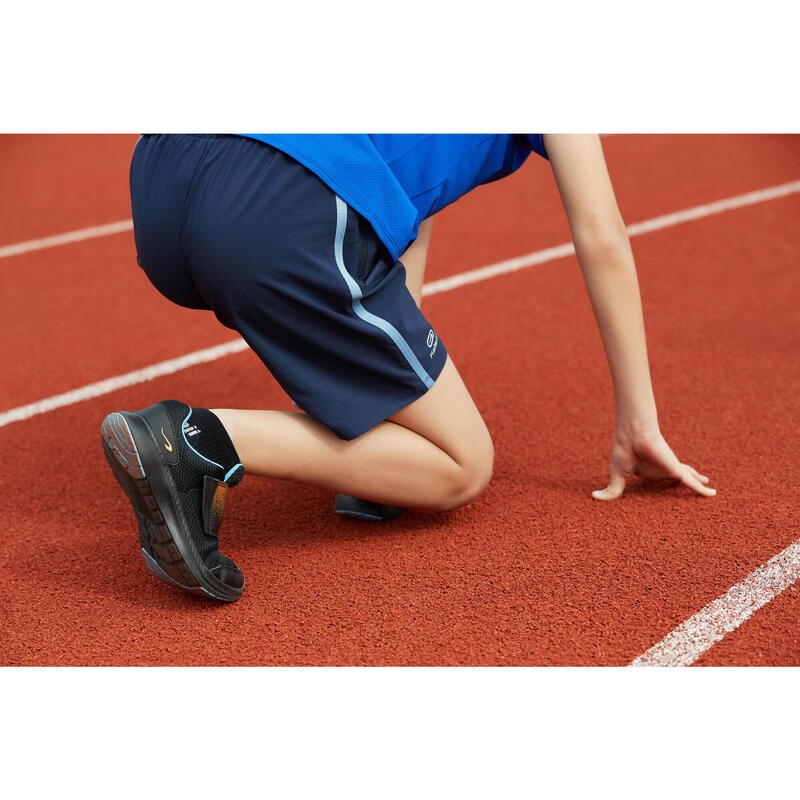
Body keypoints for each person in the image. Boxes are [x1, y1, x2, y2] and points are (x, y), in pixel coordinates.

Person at [101, 134, 714, 603]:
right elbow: (602, 235)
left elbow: (400, 218)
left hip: (163, 174)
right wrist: (638, 420)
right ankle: (196, 441)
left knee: (360, 239)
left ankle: (369, 465)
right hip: (277, 201)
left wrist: (380, 408)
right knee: (461, 466)